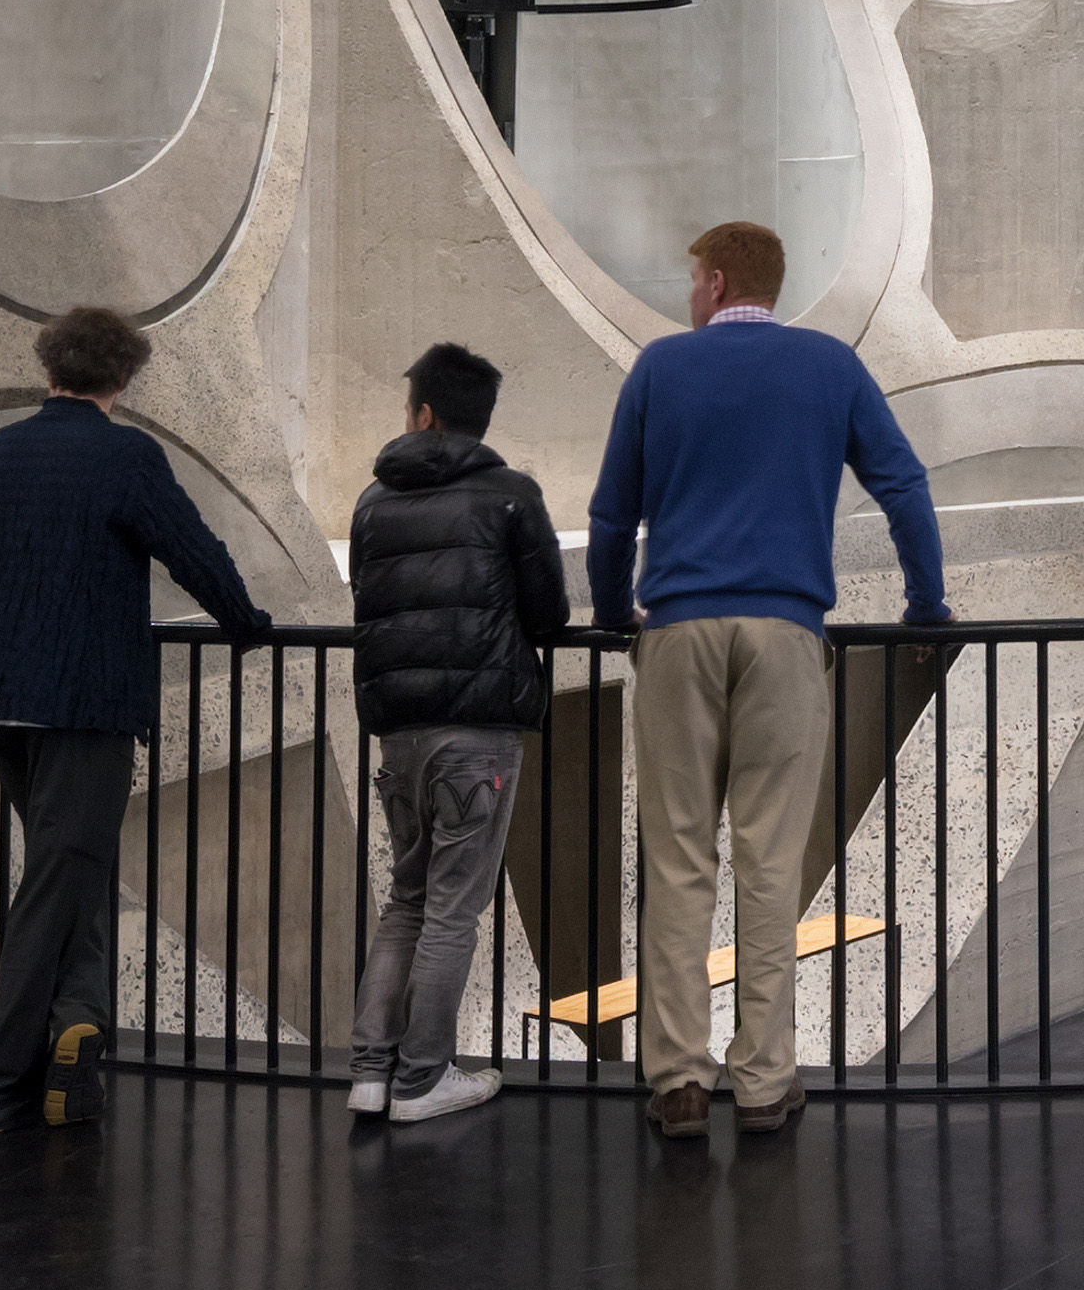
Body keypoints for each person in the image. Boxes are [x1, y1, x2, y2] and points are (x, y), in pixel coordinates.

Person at [588, 219, 946, 1140]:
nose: (688, 292)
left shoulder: (661, 369)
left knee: (677, 860)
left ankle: (675, 1080)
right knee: (769, 861)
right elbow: (903, 486)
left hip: (676, 630)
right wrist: (926, 607)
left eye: (690, 278)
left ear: (712, 282)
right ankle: (761, 1081)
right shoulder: (830, 367)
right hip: (787, 632)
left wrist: (606, 613)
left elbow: (611, 513)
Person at [0, 303, 276, 1134]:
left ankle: (80, 1032)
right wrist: (245, 623)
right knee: (54, 883)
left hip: (3, 695)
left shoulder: (6, 446)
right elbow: (192, 548)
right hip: (86, 698)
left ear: (47, 366)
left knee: (77, 864)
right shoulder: (126, 453)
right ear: (125, 375)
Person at [342, 339, 565, 1125]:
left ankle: (371, 1072)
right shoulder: (510, 495)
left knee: (405, 899)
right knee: (451, 908)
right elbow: (550, 615)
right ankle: (422, 1080)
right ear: (477, 419)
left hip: (397, 730)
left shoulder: (372, 501)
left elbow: (369, 603)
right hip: (479, 730)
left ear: (424, 414)